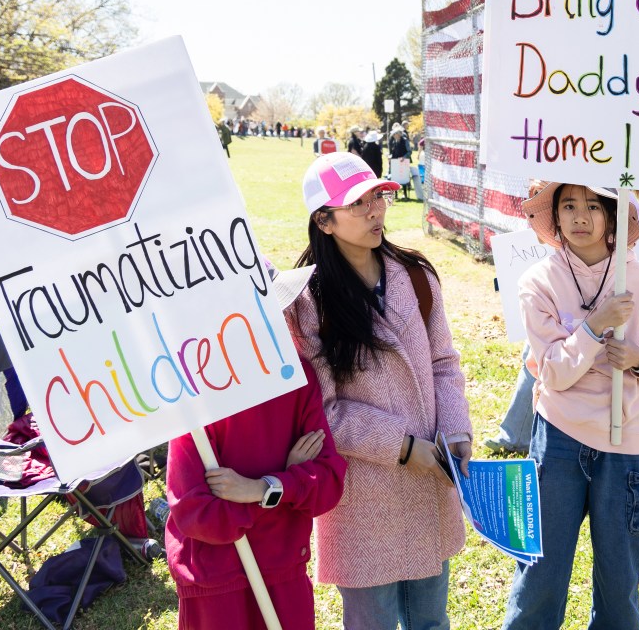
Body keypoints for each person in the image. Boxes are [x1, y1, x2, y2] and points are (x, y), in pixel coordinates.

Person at [288, 152, 472, 630]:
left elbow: (444, 363)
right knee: (371, 622)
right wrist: (402, 446)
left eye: (377, 196)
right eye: (357, 204)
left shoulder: (415, 275)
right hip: (362, 495)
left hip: (431, 476)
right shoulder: (307, 303)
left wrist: (455, 434)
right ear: (324, 221)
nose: (375, 210)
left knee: (431, 620)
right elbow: (324, 410)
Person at [502, 182, 639, 630]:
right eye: (568, 206)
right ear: (556, 220)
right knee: (539, 575)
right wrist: (594, 327)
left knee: (619, 583)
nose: (580, 217)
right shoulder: (538, 282)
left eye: (593, 207)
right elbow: (554, 374)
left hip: (628, 446)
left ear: (612, 221)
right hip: (559, 439)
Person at [165, 264, 347, 630]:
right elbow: (194, 512)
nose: (278, 319)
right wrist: (281, 487)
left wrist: (262, 489)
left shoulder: (298, 376)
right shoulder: (197, 391)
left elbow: (328, 482)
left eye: (278, 308)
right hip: (214, 581)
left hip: (283, 573)